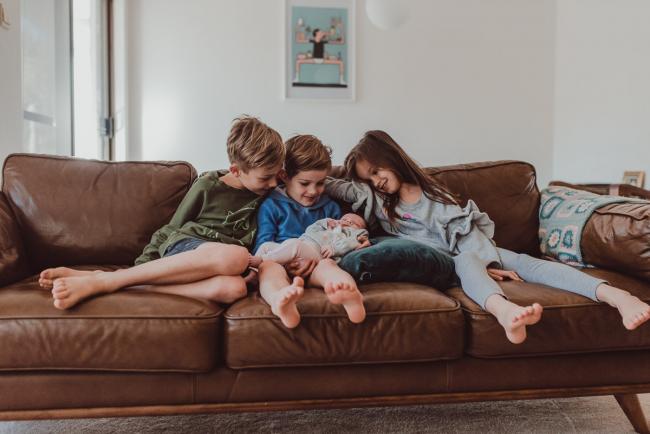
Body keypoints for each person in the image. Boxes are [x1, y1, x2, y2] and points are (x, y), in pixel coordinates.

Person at [325, 130, 650, 344]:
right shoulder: (374, 199)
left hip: (475, 250)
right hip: (448, 262)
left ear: (392, 159)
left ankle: (616, 297)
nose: (377, 181)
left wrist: (489, 261)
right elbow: (329, 182)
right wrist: (287, 178)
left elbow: (468, 232)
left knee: (528, 263)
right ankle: (504, 311)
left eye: (378, 171)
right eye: (369, 178)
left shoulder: (434, 194)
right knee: (468, 261)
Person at [38, 116, 285, 309]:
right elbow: (172, 229)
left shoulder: (270, 193)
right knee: (235, 257)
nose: (274, 183)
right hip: (189, 246)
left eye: (278, 175)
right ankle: (107, 281)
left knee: (234, 290)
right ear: (237, 170)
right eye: (266, 178)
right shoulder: (209, 185)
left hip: (225, 266)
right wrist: (144, 264)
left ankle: (114, 281)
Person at [255, 134, 366, 328]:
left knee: (329, 266)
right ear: (284, 176)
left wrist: (357, 243)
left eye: (321, 183)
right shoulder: (271, 205)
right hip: (281, 264)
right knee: (267, 268)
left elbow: (339, 238)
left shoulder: (330, 208)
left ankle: (349, 295)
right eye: (305, 183)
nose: (314, 191)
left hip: (316, 264)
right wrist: (286, 263)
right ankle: (279, 300)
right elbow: (263, 245)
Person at [255, 213, 370, 264]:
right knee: (266, 245)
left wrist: (334, 248)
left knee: (295, 245)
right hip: (302, 245)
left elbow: (351, 243)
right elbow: (309, 230)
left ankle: (263, 260)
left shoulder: (355, 234)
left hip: (319, 254)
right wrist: (324, 222)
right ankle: (254, 273)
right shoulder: (328, 226)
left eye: (354, 223)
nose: (348, 221)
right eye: (345, 218)